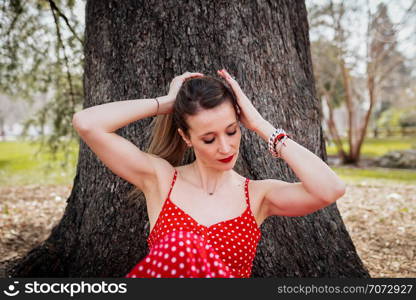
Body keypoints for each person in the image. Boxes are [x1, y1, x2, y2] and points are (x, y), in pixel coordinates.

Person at [72, 69, 346, 278]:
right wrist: (167, 103)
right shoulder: (161, 179)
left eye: (232, 130)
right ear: (186, 137)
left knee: (184, 243)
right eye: (209, 139)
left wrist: (260, 124)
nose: (225, 147)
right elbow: (87, 123)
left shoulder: (258, 195)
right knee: (182, 245)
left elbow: (330, 189)